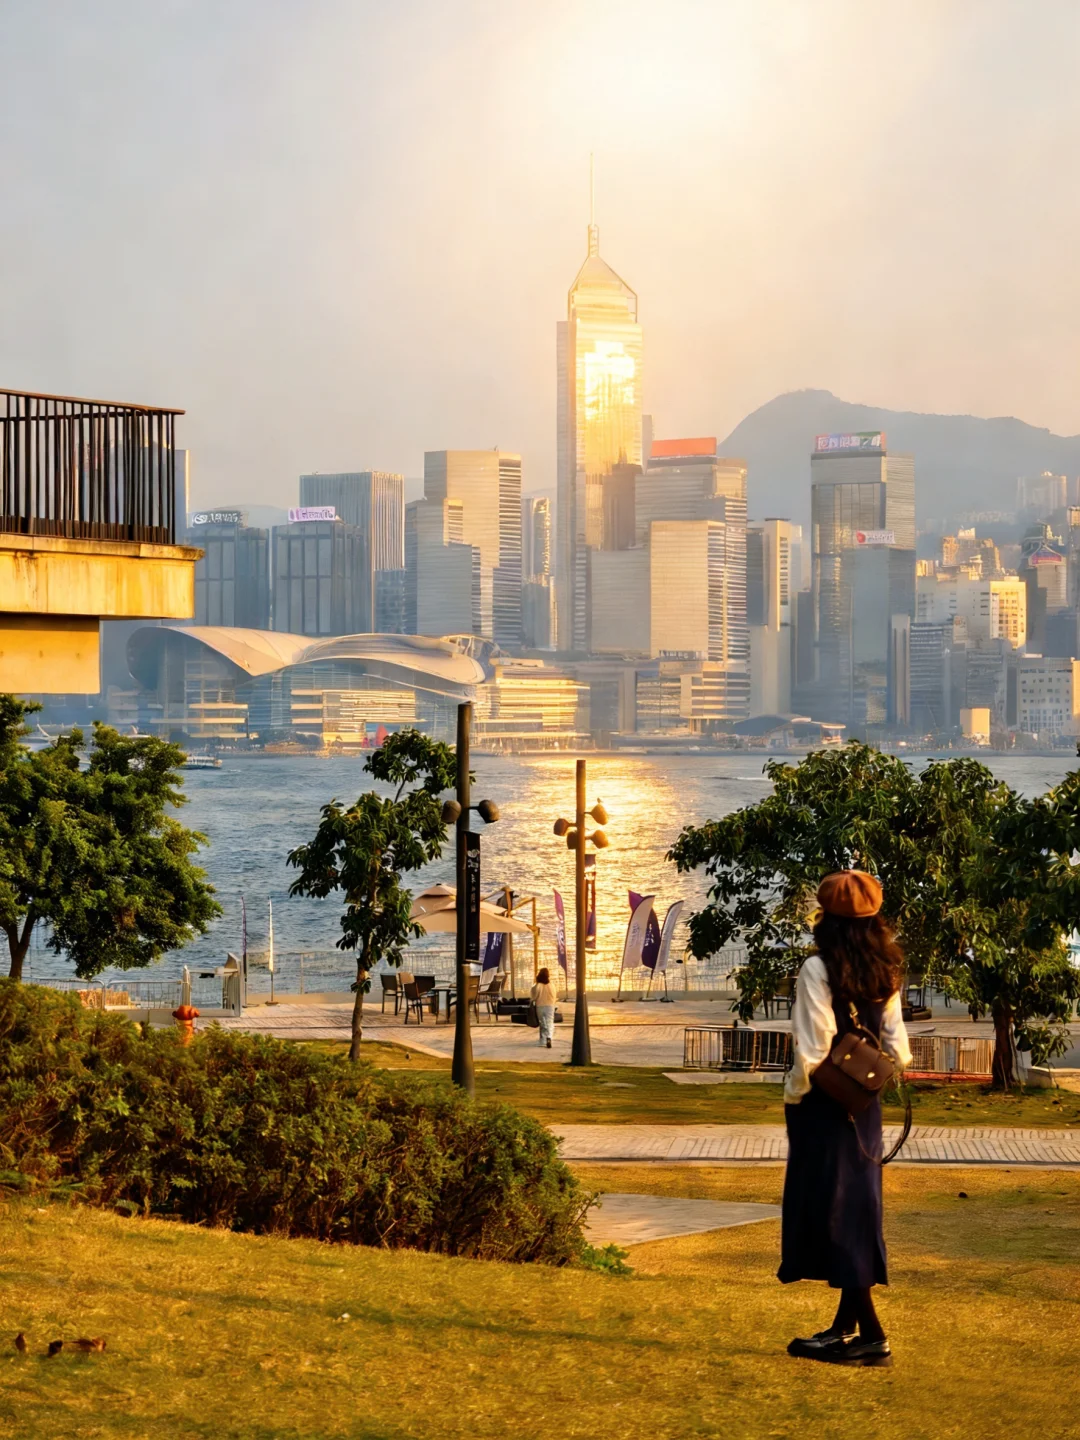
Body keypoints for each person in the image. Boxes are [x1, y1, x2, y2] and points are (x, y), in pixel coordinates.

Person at [780, 869, 912, 1368]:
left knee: (832, 1214)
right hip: (865, 1106)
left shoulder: (818, 968)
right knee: (856, 1212)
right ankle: (842, 1329)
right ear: (876, 919)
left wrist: (795, 1095)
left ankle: (874, 1337)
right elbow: (899, 1051)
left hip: (823, 1107)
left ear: (826, 919)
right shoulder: (887, 968)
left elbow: (812, 1051)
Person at [530, 966, 558, 1049]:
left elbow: (533, 997)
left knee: (542, 1023)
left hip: (540, 1006)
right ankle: (549, 1037)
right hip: (550, 1006)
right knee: (550, 1022)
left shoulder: (537, 985)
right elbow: (554, 996)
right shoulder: (551, 985)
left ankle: (542, 1040)